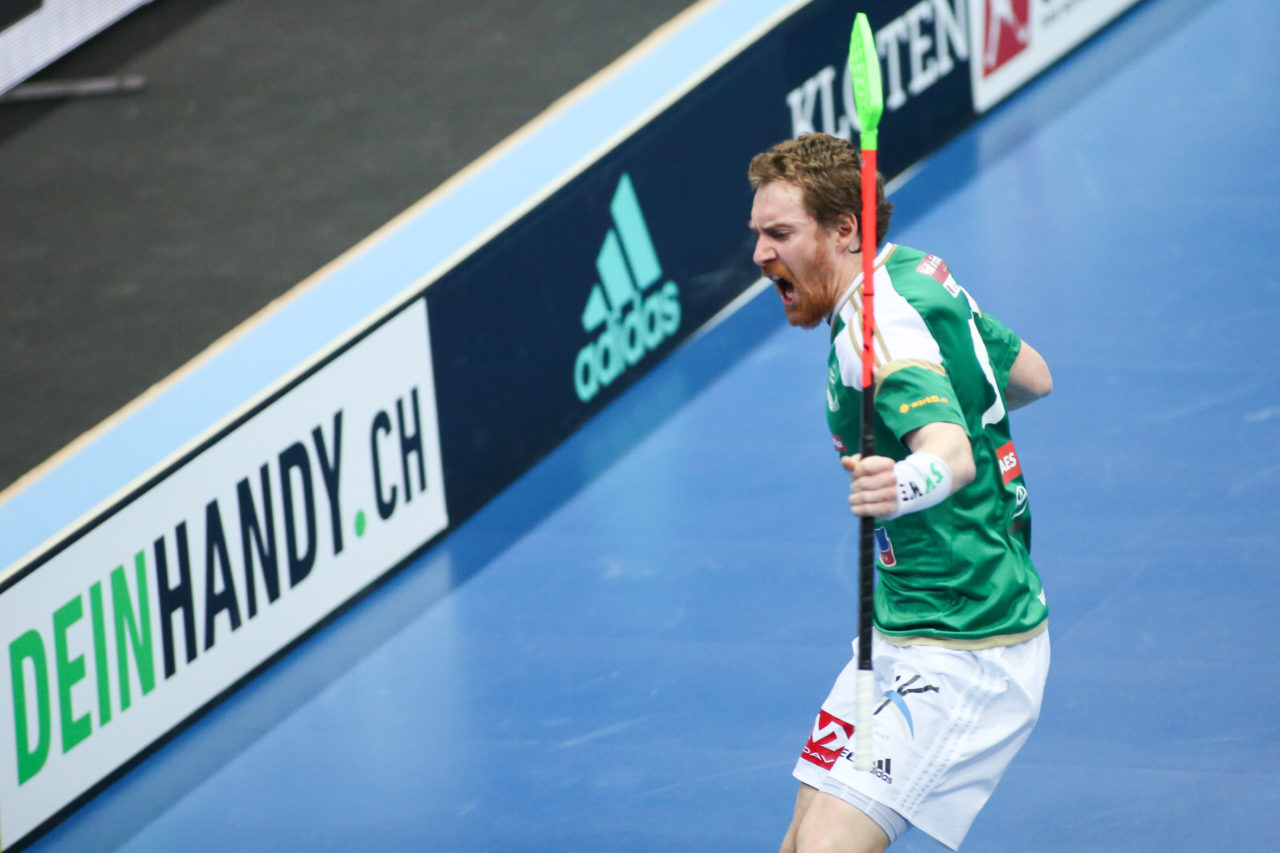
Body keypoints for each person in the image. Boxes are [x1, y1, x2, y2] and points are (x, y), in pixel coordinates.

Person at [746, 132, 1053, 853]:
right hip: (899, 627)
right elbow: (1033, 376)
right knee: (799, 843)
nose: (761, 253)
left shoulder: (874, 331)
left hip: (966, 640)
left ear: (844, 229)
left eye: (780, 233)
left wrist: (904, 481)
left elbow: (949, 454)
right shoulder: (920, 275)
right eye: (758, 233)